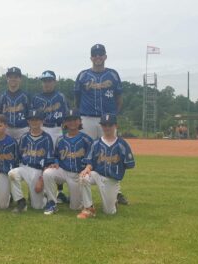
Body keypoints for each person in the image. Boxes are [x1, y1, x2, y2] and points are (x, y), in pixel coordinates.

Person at [74, 44, 128, 205]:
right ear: (91, 57)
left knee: (112, 155)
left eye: (100, 54)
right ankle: (80, 189)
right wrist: (80, 116)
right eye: (94, 54)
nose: (97, 57)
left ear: (105, 56)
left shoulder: (112, 75)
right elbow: (77, 99)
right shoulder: (83, 75)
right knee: (84, 153)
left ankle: (116, 192)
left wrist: (113, 116)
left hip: (107, 120)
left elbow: (119, 99)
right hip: (87, 118)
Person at [77, 114, 135, 219]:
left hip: (112, 180)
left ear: (115, 126)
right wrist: (87, 169)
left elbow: (129, 164)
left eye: (110, 125)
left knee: (109, 212)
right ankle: (88, 208)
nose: (107, 127)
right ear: (101, 126)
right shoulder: (96, 143)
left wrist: (116, 170)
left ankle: (114, 200)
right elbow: (90, 161)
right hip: (97, 175)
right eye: (104, 125)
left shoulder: (122, 144)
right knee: (83, 177)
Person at [42, 109, 93, 215]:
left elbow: (92, 158)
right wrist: (55, 162)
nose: (72, 122)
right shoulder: (60, 140)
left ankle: (74, 198)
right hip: (63, 171)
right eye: (69, 120)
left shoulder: (86, 139)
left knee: (75, 207)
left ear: (79, 121)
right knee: (47, 173)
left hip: (78, 175)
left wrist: (87, 168)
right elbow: (56, 155)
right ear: (65, 123)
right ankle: (52, 202)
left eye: (74, 119)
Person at [32, 70, 69, 204]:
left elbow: (66, 115)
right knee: (43, 158)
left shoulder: (61, 97)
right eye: (44, 81)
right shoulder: (37, 98)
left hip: (57, 129)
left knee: (57, 158)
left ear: (54, 81)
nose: (47, 83)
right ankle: (43, 189)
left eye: (49, 80)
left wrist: (64, 131)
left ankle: (59, 192)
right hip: (42, 127)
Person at [8, 109, 54, 213]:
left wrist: (41, 180)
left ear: (42, 121)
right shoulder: (24, 137)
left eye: (37, 120)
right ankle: (21, 202)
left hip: (38, 171)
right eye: (32, 120)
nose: (34, 122)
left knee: (37, 206)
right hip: (24, 167)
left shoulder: (47, 138)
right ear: (28, 121)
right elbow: (19, 156)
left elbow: (49, 161)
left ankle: (45, 196)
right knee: (12, 173)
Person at [0, 67, 30, 142]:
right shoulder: (2, 96)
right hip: (6, 129)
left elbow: (30, 114)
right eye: (10, 77)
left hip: (22, 129)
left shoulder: (26, 96)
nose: (13, 79)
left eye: (16, 77)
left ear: (20, 79)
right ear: (7, 79)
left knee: (22, 152)